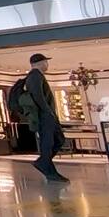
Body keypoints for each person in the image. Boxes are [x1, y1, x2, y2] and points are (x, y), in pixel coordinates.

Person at [19, 53, 69, 183]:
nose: (47, 64)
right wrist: (47, 112)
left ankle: (43, 162)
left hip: (47, 114)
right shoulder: (35, 76)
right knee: (48, 142)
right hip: (44, 115)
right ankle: (47, 168)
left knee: (59, 139)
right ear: (41, 63)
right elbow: (38, 97)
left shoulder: (37, 76)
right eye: (46, 62)